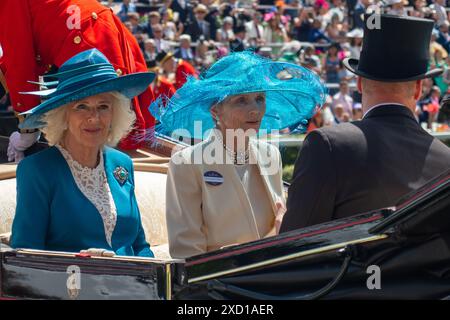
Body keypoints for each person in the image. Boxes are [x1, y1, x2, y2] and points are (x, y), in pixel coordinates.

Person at [281, 14, 450, 233]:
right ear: (418, 89)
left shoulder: (327, 144)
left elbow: (292, 247)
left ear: (359, 83)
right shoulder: (446, 161)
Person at [150, 51, 327, 258]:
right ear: (215, 110)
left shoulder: (270, 155)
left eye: (260, 98)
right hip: (217, 285)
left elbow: (277, 226)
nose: (255, 110)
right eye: (241, 100)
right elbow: (186, 252)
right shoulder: (186, 163)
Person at [10, 49, 155, 257]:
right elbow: (26, 254)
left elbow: (140, 245)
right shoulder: (37, 170)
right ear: (63, 115)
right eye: (81, 106)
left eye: (103, 106)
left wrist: (152, 282)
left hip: (133, 286)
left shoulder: (122, 163)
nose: (94, 117)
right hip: (71, 286)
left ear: (115, 112)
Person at [0, 0, 156, 163]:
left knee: (96, 114)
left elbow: (19, 60)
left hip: (82, 39)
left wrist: (28, 130)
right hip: (97, 25)